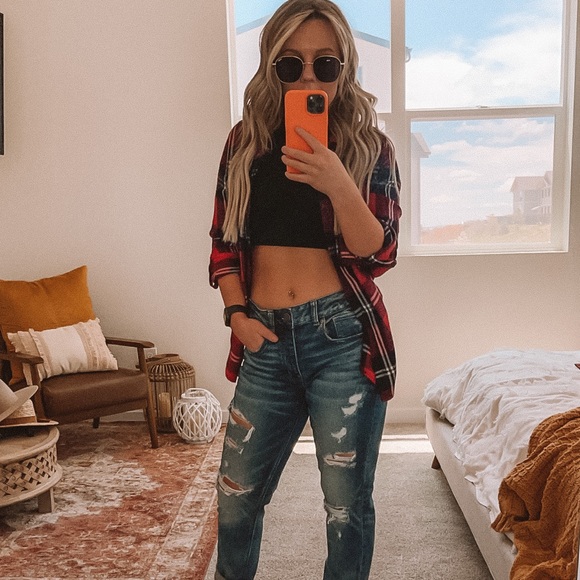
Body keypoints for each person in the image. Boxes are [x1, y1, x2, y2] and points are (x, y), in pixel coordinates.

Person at [208, 1, 401, 578]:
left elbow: (380, 251)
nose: (310, 79)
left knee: (346, 509)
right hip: (264, 341)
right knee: (235, 501)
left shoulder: (370, 148)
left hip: (341, 340)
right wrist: (238, 315)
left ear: (346, 69)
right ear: (271, 67)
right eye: (291, 65)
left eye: (327, 65)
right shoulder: (244, 144)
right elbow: (223, 242)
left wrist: (338, 182)